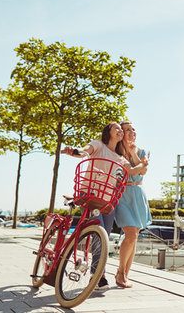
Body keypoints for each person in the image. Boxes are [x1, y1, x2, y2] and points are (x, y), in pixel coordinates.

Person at [62, 122, 147, 289]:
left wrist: (143, 165)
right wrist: (74, 151)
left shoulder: (121, 158)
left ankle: (97, 272)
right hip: (89, 194)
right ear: (108, 131)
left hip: (107, 200)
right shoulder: (98, 144)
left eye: (121, 129)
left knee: (104, 237)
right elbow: (84, 151)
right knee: (98, 231)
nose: (121, 131)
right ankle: (99, 274)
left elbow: (134, 171)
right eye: (117, 128)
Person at [114, 121, 152, 288]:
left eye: (133, 129)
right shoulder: (116, 151)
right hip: (122, 195)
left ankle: (125, 274)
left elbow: (142, 171)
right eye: (127, 129)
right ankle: (120, 272)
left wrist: (133, 152)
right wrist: (138, 161)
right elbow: (138, 168)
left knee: (134, 236)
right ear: (121, 133)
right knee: (130, 233)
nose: (132, 132)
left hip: (138, 194)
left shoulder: (143, 152)